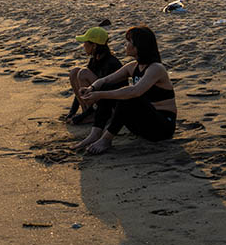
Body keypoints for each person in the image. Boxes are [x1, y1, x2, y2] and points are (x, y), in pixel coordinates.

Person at [73, 26, 177, 155]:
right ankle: (95, 134)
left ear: (138, 46)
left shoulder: (156, 68)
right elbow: (105, 80)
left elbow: (135, 91)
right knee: (108, 87)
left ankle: (106, 139)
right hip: (141, 125)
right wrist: (91, 88)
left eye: (128, 41)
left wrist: (99, 95)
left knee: (127, 95)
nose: (125, 44)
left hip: (161, 127)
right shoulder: (132, 67)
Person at [66, 26, 123, 124]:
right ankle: (86, 110)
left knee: (83, 73)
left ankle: (94, 115)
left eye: (85, 42)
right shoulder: (94, 60)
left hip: (112, 105)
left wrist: (81, 118)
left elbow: (108, 92)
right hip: (98, 99)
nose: (83, 45)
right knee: (74, 72)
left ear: (94, 46)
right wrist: (72, 112)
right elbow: (81, 89)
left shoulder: (111, 63)